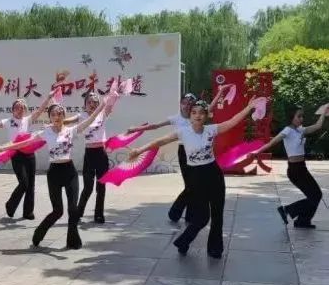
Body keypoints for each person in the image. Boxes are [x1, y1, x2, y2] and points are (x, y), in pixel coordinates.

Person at [129, 96, 259, 258]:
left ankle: (215, 249)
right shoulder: (182, 132)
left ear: (206, 116)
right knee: (202, 217)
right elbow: (159, 141)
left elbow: (232, 121)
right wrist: (139, 150)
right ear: (190, 116)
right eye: (194, 112)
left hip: (214, 173)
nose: (197, 115)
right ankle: (183, 241)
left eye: (201, 113)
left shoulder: (211, 129)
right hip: (196, 176)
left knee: (218, 213)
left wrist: (248, 108)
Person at [0, 98, 107, 249]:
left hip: (70, 172)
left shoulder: (71, 130)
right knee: (58, 211)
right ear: (50, 117)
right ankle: (39, 232)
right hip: (54, 174)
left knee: (73, 209)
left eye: (59, 114)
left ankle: (73, 240)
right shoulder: (45, 132)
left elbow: (90, 119)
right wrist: (5, 147)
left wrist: (102, 105)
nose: (57, 117)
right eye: (53, 114)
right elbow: (25, 143)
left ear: (64, 116)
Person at [127, 86, 230, 223]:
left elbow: (210, 106)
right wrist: (136, 128)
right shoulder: (175, 118)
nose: (186, 106)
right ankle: (177, 213)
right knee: (191, 186)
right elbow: (155, 126)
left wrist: (221, 92)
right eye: (184, 103)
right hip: (184, 153)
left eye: (189, 103)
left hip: (198, 154)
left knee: (193, 186)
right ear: (180, 104)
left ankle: (185, 215)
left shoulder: (197, 115)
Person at [249, 104, 328, 229]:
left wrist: (324, 111)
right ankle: (287, 210)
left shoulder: (300, 130)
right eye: (299, 116)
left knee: (315, 195)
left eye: (302, 116)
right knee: (316, 195)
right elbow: (272, 142)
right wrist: (256, 152)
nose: (301, 119)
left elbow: (318, 126)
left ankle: (302, 221)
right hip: (295, 170)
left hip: (301, 168)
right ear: (292, 117)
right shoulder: (288, 130)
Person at [0, 91, 57, 220]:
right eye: (17, 108)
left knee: (31, 184)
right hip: (16, 154)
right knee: (24, 183)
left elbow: (40, 110)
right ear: (13, 110)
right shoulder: (8, 121)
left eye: (22, 108)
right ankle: (10, 205)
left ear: (25, 110)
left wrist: (48, 97)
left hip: (30, 154)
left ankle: (28, 212)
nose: (20, 110)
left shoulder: (27, 120)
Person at [63, 92, 114, 223]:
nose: (92, 104)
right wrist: (55, 122)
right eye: (89, 102)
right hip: (89, 154)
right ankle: (79, 212)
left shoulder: (102, 114)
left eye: (95, 102)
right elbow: (67, 121)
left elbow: (111, 104)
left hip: (101, 154)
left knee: (101, 186)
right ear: (85, 105)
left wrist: (114, 94)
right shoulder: (81, 116)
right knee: (88, 187)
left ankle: (99, 214)